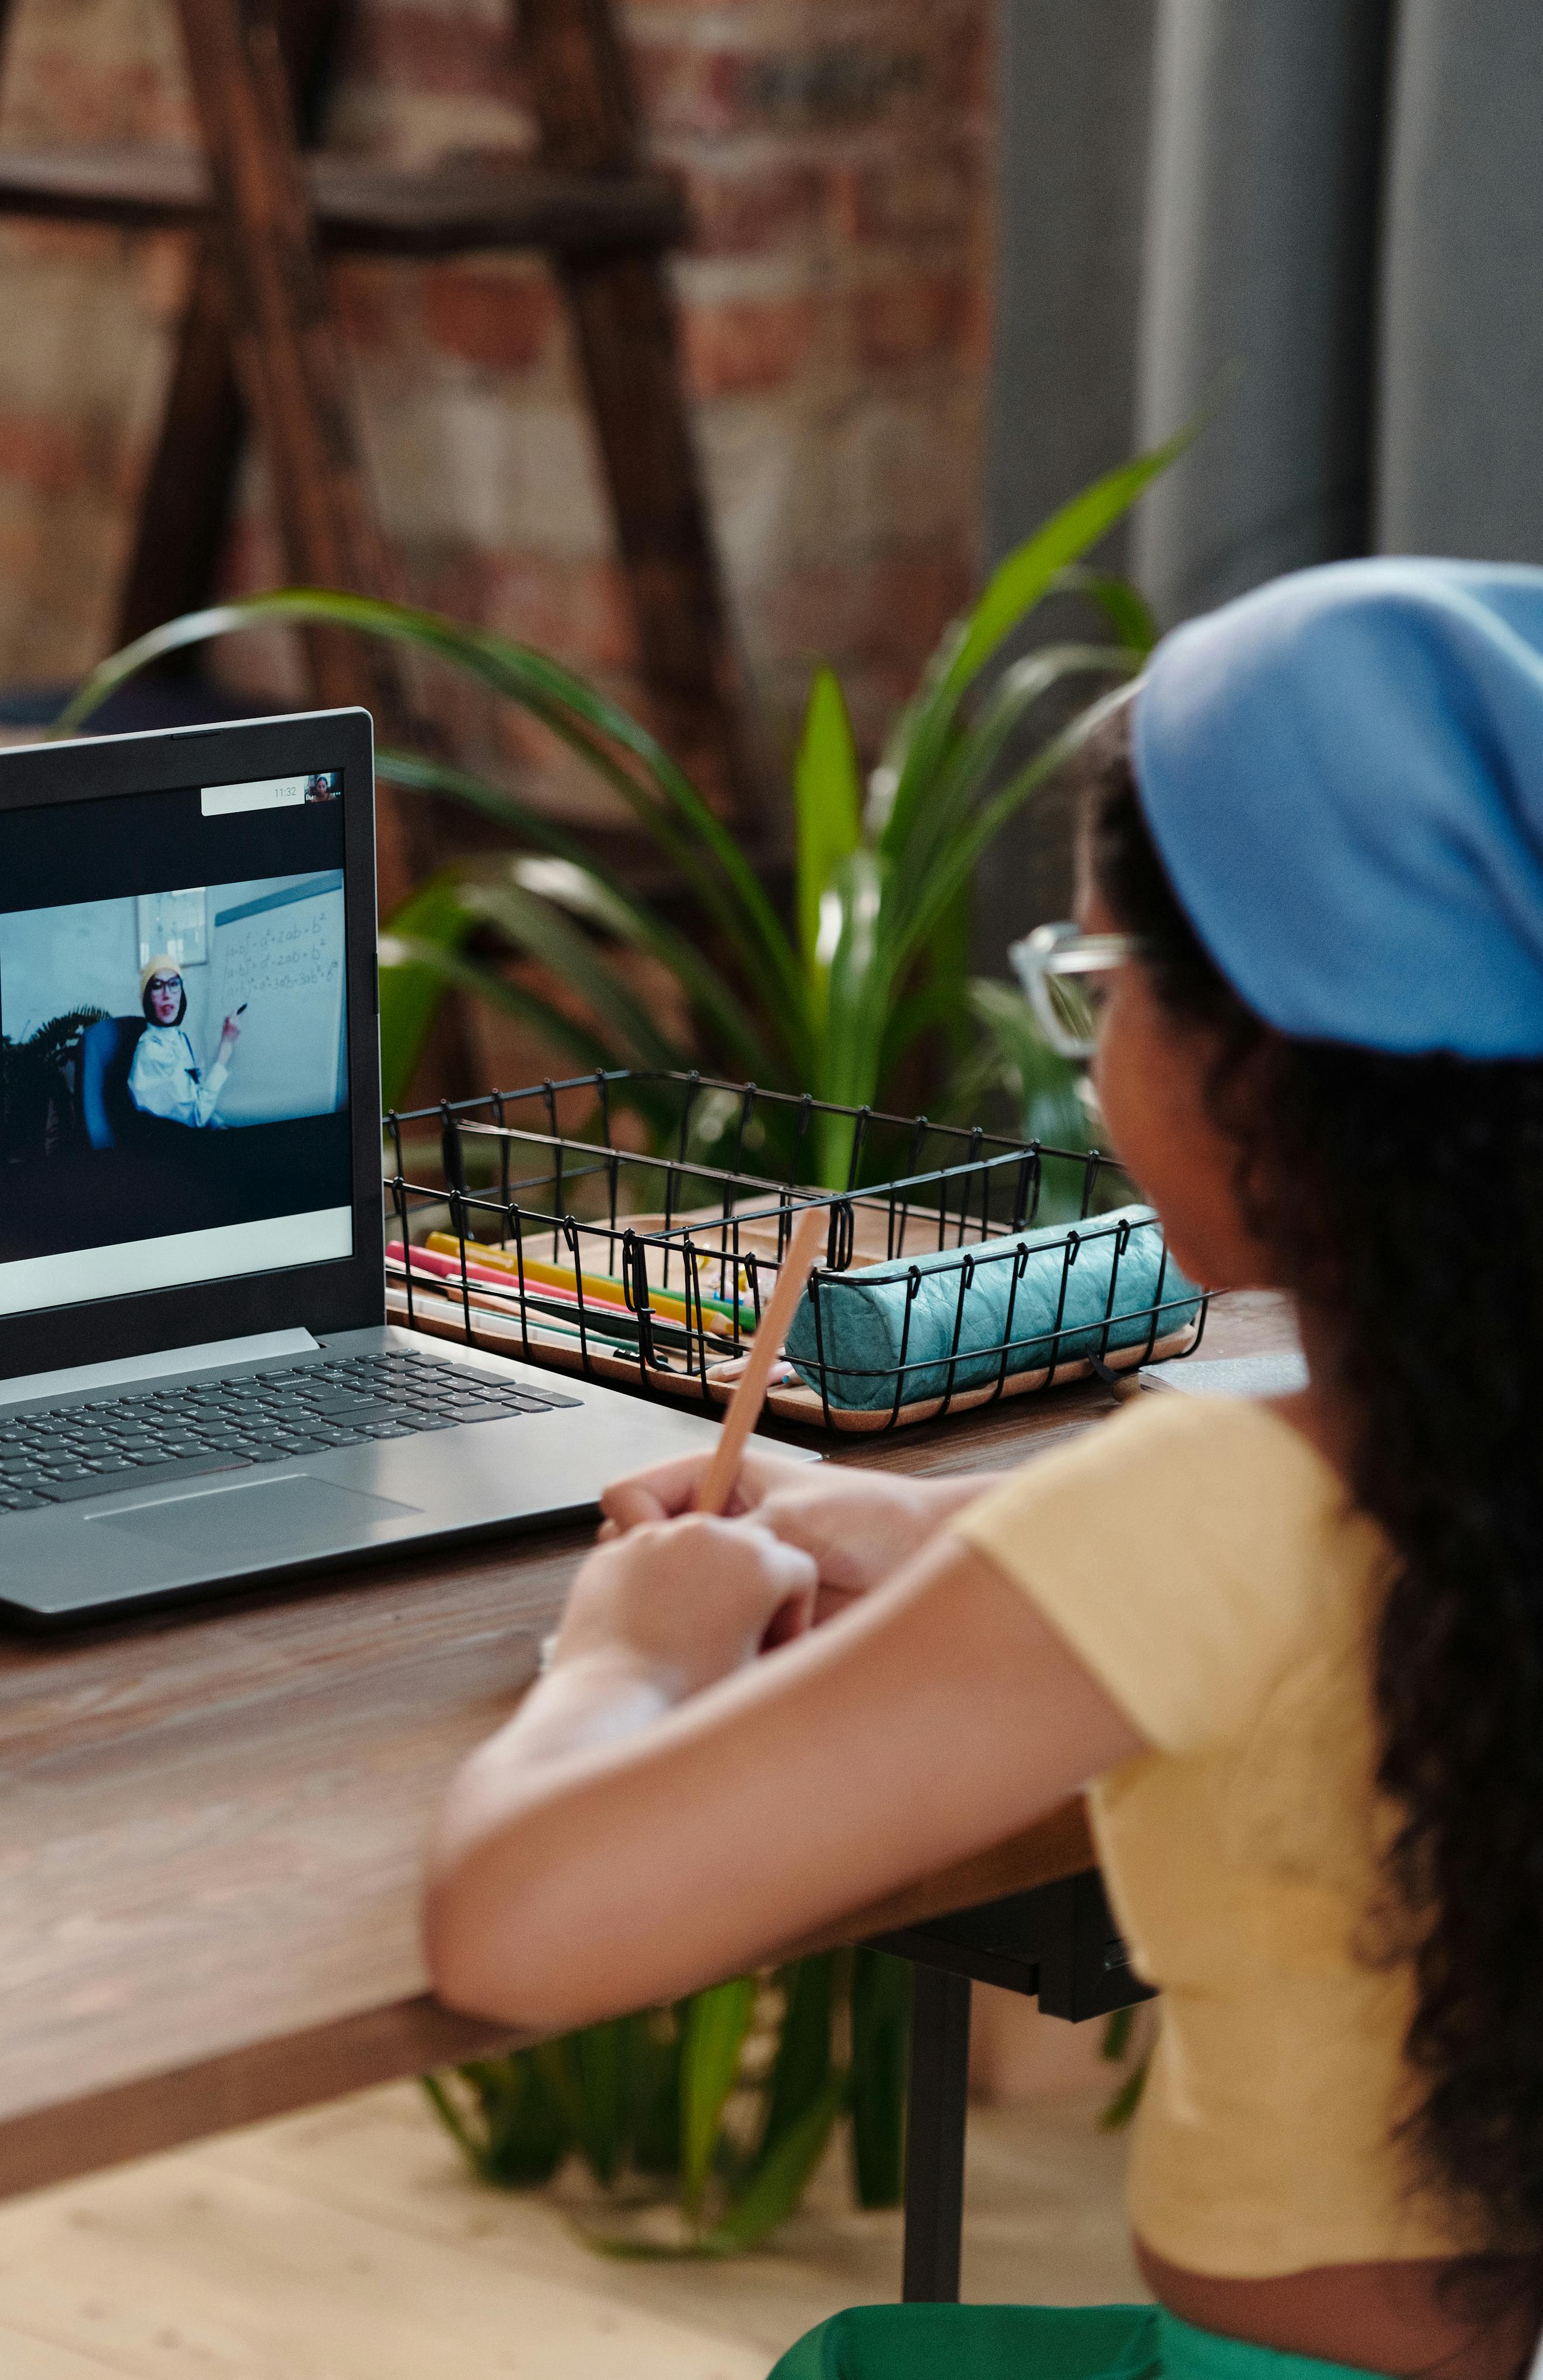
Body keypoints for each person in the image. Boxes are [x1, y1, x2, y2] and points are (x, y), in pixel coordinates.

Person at [424, 558, 1543, 2380]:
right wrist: (931, 1530)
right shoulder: (1430, 1455)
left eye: (1099, 981)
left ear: (1261, 1052)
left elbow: (514, 1925)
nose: (1084, 1049)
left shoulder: (1212, 1503)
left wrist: (628, 1647)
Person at [127, 955, 241, 1129]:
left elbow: (194, 1097)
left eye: (174, 984)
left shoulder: (177, 1037)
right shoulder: (152, 1051)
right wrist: (226, 1047)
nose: (167, 995)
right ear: (147, 998)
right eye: (157, 987)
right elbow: (196, 1117)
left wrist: (218, 1124)